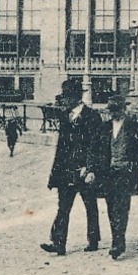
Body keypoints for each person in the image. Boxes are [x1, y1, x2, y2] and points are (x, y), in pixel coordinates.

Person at [41, 79, 106, 257]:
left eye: (66, 97)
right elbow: (61, 148)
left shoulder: (93, 116)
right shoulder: (65, 116)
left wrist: (91, 168)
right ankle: (59, 244)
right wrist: (54, 174)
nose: (63, 101)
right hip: (66, 171)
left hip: (85, 170)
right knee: (63, 208)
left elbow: (96, 145)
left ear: (75, 98)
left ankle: (93, 240)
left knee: (90, 206)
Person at [100, 91, 138, 259]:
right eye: (111, 110)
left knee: (121, 208)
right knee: (110, 208)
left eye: (116, 109)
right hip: (108, 174)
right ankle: (117, 238)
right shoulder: (105, 128)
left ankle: (118, 242)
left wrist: (134, 167)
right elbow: (97, 151)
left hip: (125, 174)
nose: (113, 113)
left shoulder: (134, 127)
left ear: (123, 109)